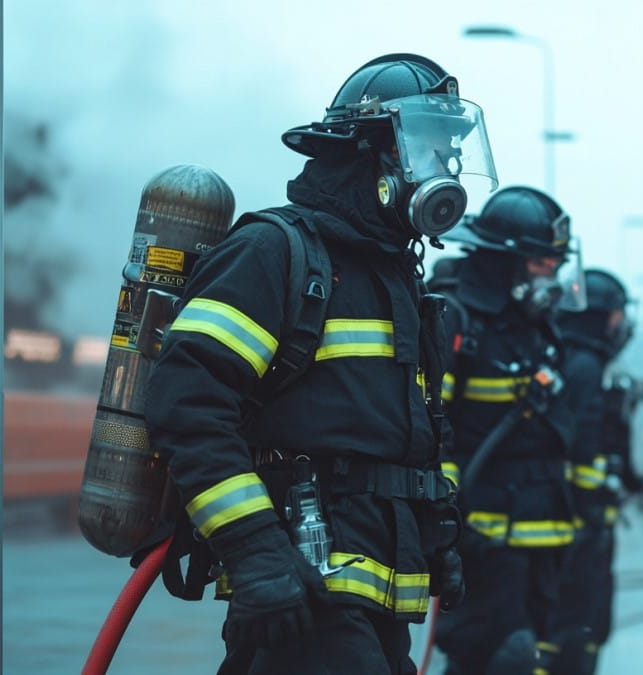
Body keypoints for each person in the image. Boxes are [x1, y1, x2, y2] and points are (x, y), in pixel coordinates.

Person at [143, 53, 498, 674]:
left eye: (450, 152)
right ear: (370, 151)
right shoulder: (274, 252)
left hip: (374, 606)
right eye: (429, 148)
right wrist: (255, 551)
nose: (444, 169)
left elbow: (408, 438)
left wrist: (437, 532)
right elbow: (188, 404)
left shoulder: (397, 279)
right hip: (303, 592)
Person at [430, 186, 600, 675]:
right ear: (506, 262)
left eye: (555, 264)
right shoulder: (456, 320)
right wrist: (453, 521)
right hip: (483, 540)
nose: (553, 276)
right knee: (495, 657)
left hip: (544, 538)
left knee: (537, 656)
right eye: (543, 263)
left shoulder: (537, 327)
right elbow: (429, 431)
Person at [549, 269, 643, 675]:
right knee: (578, 627)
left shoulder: (576, 362)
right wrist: (593, 507)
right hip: (579, 533)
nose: (621, 324)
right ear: (600, 316)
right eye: (617, 314)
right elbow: (583, 447)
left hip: (577, 527)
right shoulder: (586, 367)